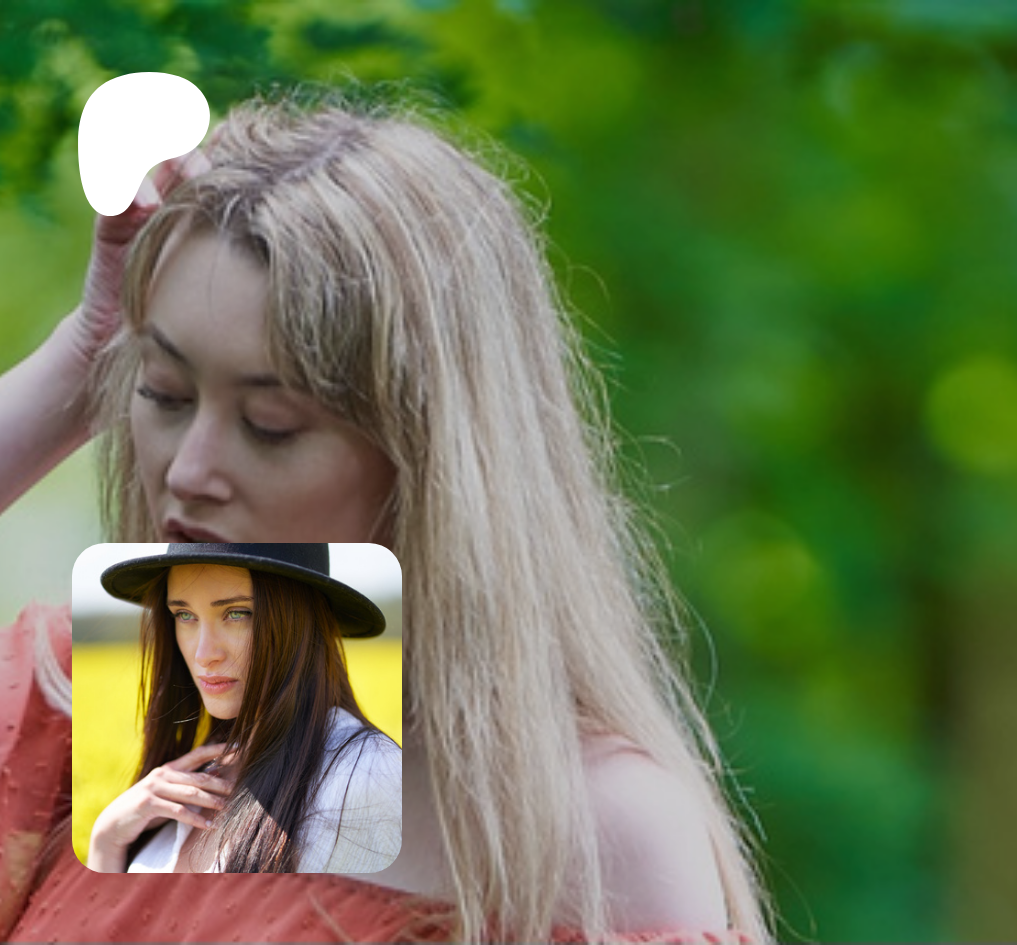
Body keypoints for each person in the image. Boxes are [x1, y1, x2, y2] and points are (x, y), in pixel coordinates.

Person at [0, 91, 770, 943]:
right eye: (165, 393)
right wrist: (83, 351)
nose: (187, 470)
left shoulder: (586, 835)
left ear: (432, 461)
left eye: (270, 425)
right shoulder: (80, 701)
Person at [87, 542, 401, 875]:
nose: (204, 654)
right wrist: (106, 841)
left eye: (237, 613)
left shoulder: (366, 771)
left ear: (300, 620)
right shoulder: (191, 771)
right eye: (184, 615)